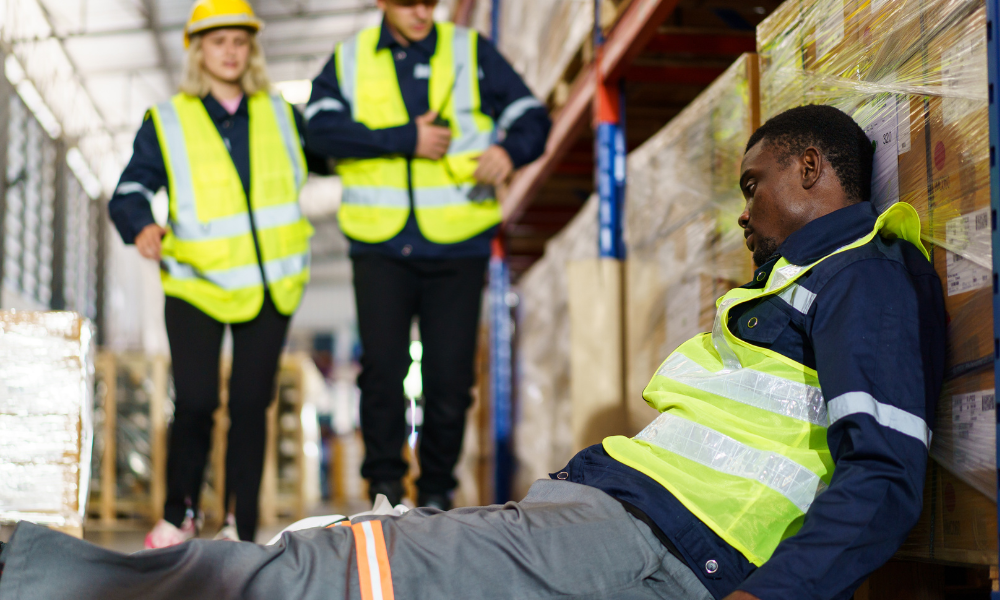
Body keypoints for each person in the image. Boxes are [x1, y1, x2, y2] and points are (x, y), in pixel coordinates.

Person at [0, 105, 944, 600]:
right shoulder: (797, 285)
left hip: (648, 552)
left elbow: (886, 477)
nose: (743, 211)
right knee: (329, 560)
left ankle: (26, 577)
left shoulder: (862, 273)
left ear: (813, 170)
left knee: (328, 577)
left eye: (755, 183)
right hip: (603, 529)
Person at [304, 0, 551, 510]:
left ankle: (437, 490)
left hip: (457, 241)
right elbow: (319, 132)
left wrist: (509, 151)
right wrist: (405, 139)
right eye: (406, 2)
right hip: (379, 244)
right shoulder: (349, 60)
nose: (420, 12)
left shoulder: (469, 52)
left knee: (450, 376)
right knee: (381, 371)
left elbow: (531, 116)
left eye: (429, 1)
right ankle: (384, 489)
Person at [105, 0, 323, 547]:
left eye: (239, 41)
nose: (230, 51)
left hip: (270, 285)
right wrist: (140, 226)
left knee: (251, 407)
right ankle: (180, 514)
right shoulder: (168, 121)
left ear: (251, 49)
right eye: (218, 40)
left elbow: (337, 152)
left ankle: (240, 528)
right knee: (198, 400)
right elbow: (130, 189)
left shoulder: (282, 115)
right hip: (196, 285)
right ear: (198, 50)